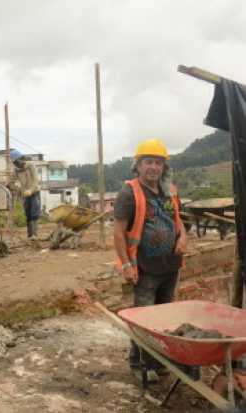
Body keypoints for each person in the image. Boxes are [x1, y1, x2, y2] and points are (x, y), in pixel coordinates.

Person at [113, 138, 188, 382]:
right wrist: (125, 264)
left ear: (164, 167)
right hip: (145, 268)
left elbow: (178, 221)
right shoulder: (129, 192)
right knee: (145, 319)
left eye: (158, 163)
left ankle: (159, 360)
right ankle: (139, 364)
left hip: (171, 266)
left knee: (165, 319)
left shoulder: (170, 190)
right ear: (138, 165)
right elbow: (119, 231)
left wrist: (183, 238)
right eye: (148, 162)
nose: (153, 167)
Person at [11, 149, 40, 240]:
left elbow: (35, 180)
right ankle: (29, 235)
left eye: (17, 161)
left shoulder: (30, 166)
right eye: (14, 162)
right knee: (27, 214)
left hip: (34, 192)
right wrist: (16, 188)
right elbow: (12, 181)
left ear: (20, 159)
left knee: (34, 213)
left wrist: (30, 190)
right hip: (24, 194)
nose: (16, 163)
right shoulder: (16, 170)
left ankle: (34, 235)